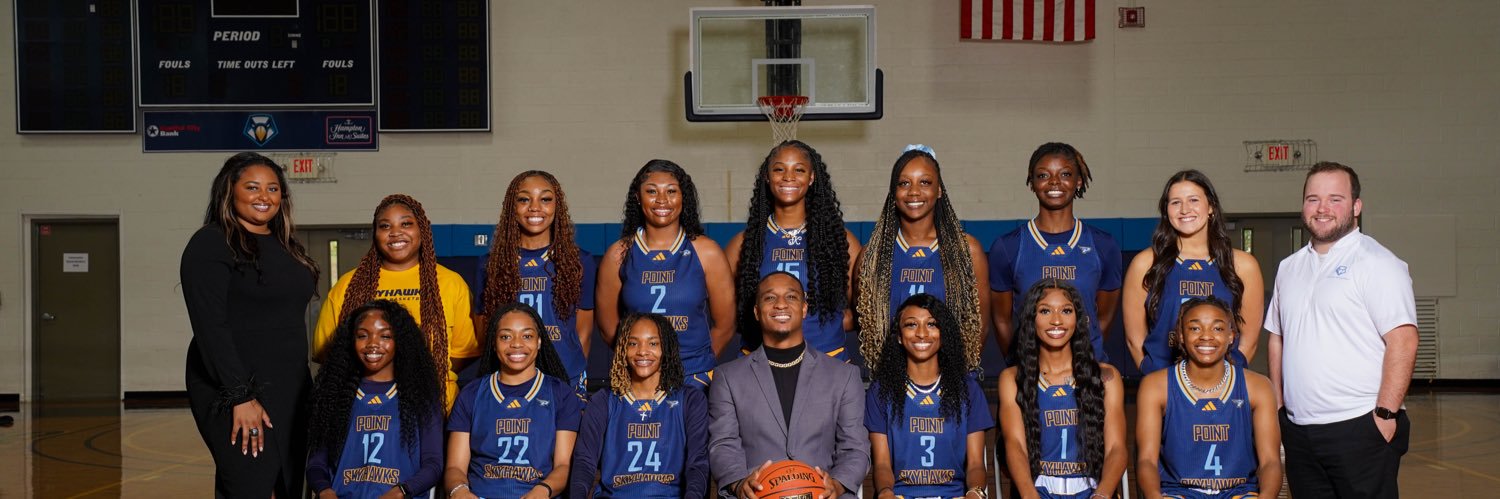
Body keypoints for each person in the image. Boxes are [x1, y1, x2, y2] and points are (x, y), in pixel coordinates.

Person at [1267, 162, 1416, 498]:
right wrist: (1279, 409)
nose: (1322, 209)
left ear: (1356, 206)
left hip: (1361, 427)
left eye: (1335, 199)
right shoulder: (1288, 268)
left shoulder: (1378, 264)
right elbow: (1277, 339)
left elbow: (1404, 340)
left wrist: (1385, 415)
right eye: (1312, 199)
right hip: (1300, 432)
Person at [181, 152, 319, 496]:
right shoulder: (211, 243)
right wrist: (240, 396)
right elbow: (210, 327)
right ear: (230, 190)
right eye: (253, 187)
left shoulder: (288, 247)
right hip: (234, 385)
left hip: (290, 386)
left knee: (286, 484)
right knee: (250, 482)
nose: (264, 196)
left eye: (273, 188)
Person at [312, 194, 481, 412]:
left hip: (433, 406)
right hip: (363, 407)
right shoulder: (349, 286)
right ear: (375, 234)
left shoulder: (450, 283)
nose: (395, 232)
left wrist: (421, 373)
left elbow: (463, 353)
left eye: (406, 224)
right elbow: (330, 354)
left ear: (423, 230)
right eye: (385, 226)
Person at [709, 272, 870, 499]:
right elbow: (722, 444)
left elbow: (855, 448)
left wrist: (837, 485)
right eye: (769, 298)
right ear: (756, 312)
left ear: (804, 309)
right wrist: (738, 483)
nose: (781, 305)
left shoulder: (844, 375)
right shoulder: (727, 377)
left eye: (791, 297)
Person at [597, 160, 735, 390]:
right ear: (638, 198)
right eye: (652, 191)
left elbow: (725, 324)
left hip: (694, 375)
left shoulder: (706, 251)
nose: (662, 200)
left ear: (684, 197)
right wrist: (639, 363)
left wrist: (700, 367)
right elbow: (608, 326)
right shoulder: (619, 254)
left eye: (671, 191)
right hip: (639, 379)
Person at [854, 145, 988, 374]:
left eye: (925, 182)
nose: (914, 191)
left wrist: (954, 373)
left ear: (939, 190)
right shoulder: (872, 255)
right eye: (903, 183)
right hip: (892, 380)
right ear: (893, 193)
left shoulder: (967, 250)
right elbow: (866, 324)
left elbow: (979, 326)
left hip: (952, 380)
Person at [726, 140, 860, 360]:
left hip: (825, 358)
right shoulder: (744, 243)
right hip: (760, 362)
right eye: (779, 169)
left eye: (799, 170)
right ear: (767, 177)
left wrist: (826, 322)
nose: (788, 177)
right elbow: (724, 314)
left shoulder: (839, 240)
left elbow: (861, 311)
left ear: (812, 177)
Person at [1135, 297, 1281, 498]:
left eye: (1218, 329)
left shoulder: (1258, 386)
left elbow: (1270, 462)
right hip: (1179, 492)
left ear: (1232, 336)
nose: (1206, 336)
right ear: (1180, 336)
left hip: (1238, 492)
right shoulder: (1156, 386)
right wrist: (1154, 495)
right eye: (1195, 328)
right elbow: (1146, 461)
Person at [990, 143, 1121, 364]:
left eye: (1065, 174)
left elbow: (1104, 316)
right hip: (1031, 372)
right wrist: (1020, 364)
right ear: (1032, 183)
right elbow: (1001, 320)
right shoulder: (1008, 247)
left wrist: (1088, 354)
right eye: (1043, 175)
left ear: (1078, 181)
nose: (1054, 182)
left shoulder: (1103, 245)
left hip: (1086, 371)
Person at [1123, 170, 1264, 374]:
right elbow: (1134, 340)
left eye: (1194, 200)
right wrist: (1154, 379)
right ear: (1166, 210)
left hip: (1222, 385)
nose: (1185, 209)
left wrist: (1228, 381)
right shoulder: (1145, 263)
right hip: (1164, 382)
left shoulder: (1243, 265)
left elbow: (1249, 341)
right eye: (1175, 202)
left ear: (1211, 207)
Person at [997, 279, 1126, 499]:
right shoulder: (1012, 378)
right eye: (1045, 311)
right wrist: (1029, 494)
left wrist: (1102, 494)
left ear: (1079, 320)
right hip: (1038, 489)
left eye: (1066, 311)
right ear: (1031, 319)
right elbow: (1015, 444)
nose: (1056, 320)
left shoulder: (1105, 377)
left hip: (1091, 489)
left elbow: (1116, 448)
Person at [306, 300, 445, 498]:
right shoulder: (334, 396)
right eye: (363, 335)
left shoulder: (420, 397)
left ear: (400, 341)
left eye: (385, 336)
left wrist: (402, 491)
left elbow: (433, 464)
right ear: (351, 341)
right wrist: (325, 490)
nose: (372, 343)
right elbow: (316, 464)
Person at [445, 302, 583, 499]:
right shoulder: (472, 394)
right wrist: (460, 491)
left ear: (539, 342)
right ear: (494, 343)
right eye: (505, 336)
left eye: (527, 336)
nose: (516, 344)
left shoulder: (560, 394)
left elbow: (563, 466)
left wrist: (542, 490)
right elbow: (455, 467)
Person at [478, 171, 596, 396]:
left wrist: (570, 371)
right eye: (524, 199)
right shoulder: (490, 265)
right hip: (510, 377)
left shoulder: (580, 262)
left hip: (566, 376)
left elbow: (584, 331)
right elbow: (485, 329)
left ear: (557, 206)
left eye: (545, 199)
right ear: (512, 207)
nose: (535, 207)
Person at [866, 294, 993, 499]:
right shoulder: (881, 391)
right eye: (911, 325)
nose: (922, 333)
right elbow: (881, 464)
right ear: (899, 336)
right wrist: (886, 492)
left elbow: (976, 464)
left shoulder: (967, 390)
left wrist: (975, 493)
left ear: (944, 334)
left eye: (932, 324)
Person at [569, 313, 710, 498]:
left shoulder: (690, 400)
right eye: (633, 343)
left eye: (653, 343)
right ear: (622, 350)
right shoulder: (604, 401)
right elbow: (584, 462)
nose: (642, 351)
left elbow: (698, 463)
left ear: (666, 348)